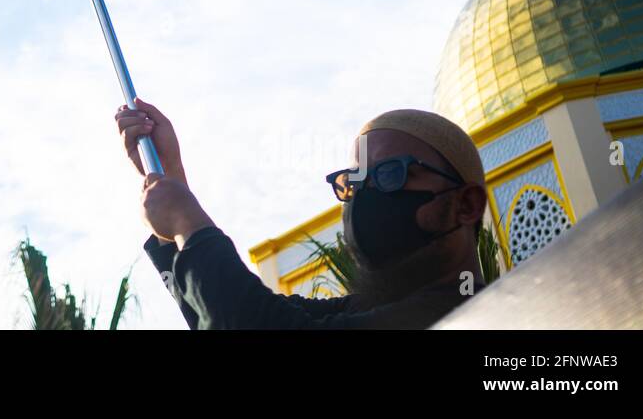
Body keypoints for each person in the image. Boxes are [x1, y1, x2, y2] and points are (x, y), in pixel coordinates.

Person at [115, 101, 489, 328]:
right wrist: (171, 180)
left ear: (467, 204)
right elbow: (227, 315)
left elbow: (257, 326)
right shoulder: (374, 309)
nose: (366, 199)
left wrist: (187, 223)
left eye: (390, 175)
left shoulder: (471, 313)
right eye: (354, 184)